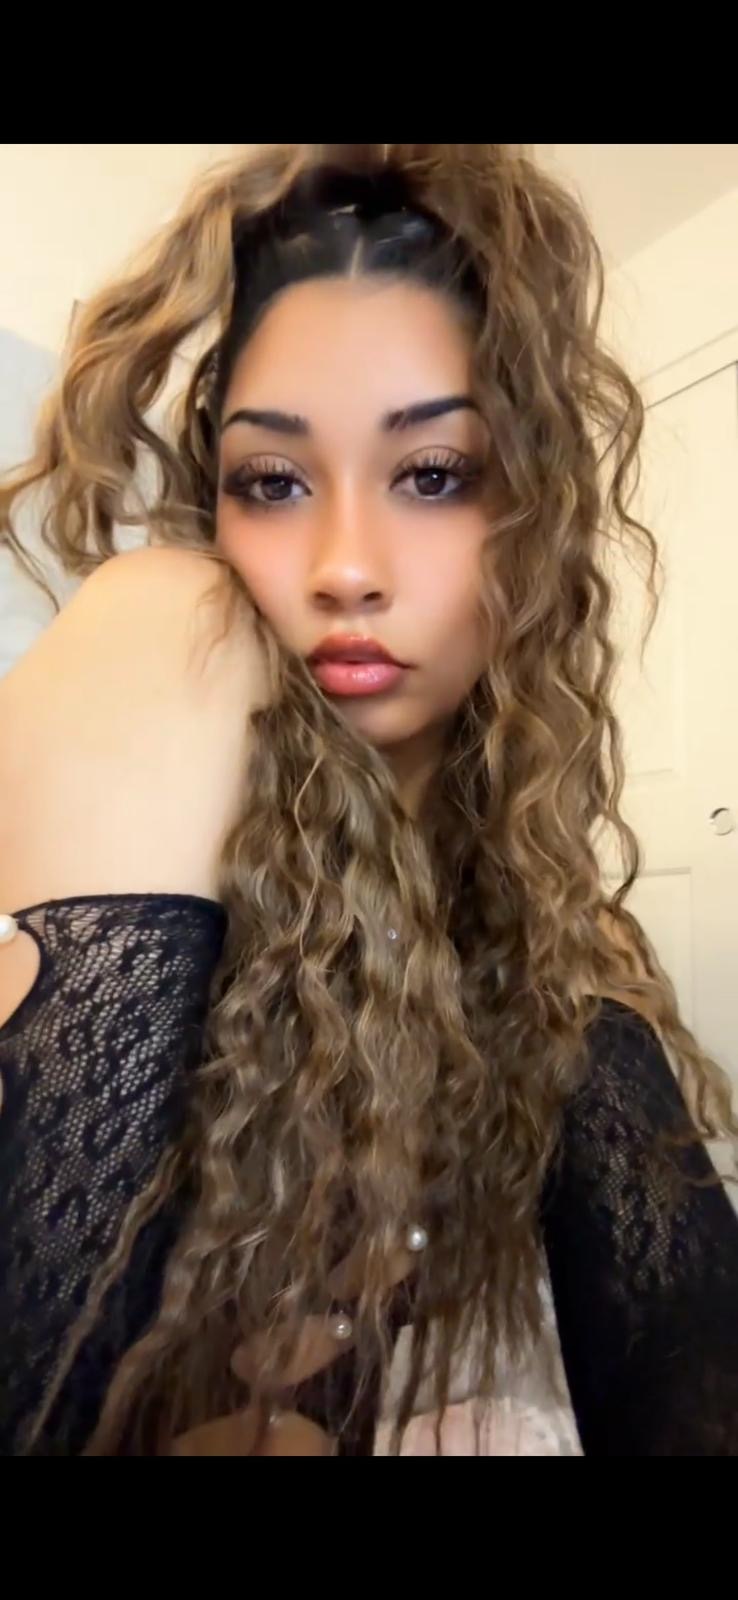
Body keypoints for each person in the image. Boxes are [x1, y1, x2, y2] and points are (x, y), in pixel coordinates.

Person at [0, 142, 737, 1458]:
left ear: (531, 525)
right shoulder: (165, 624)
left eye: (435, 473)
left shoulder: (546, 929)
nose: (345, 566)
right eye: (273, 482)